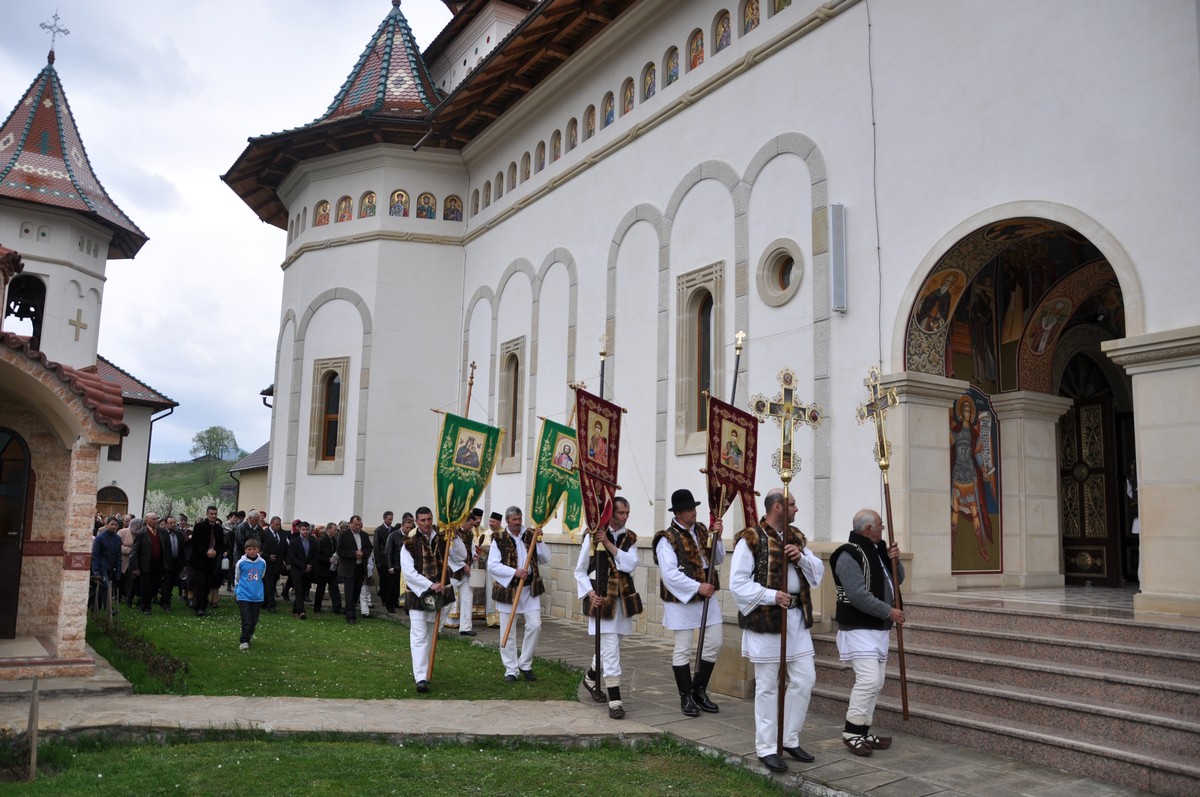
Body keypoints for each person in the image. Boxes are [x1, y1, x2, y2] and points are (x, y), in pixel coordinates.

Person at [730, 489, 824, 772]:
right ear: (778, 508)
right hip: (767, 621)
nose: (797, 509)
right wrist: (772, 596)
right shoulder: (751, 538)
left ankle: (789, 738)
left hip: (795, 619)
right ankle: (767, 747)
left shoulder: (795, 538)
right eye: (792, 504)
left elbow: (817, 573)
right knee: (769, 686)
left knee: (805, 679)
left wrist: (801, 559)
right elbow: (738, 583)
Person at [831, 509, 905, 757]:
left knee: (877, 682)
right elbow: (857, 595)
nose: (883, 528)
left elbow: (898, 579)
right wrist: (888, 612)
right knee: (869, 680)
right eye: (880, 525)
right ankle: (851, 733)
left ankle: (862, 731)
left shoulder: (878, 551)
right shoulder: (847, 554)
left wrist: (895, 560)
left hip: (877, 629)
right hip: (859, 627)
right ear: (869, 529)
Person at [653, 488, 724, 717]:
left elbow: (718, 557)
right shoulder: (667, 538)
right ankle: (685, 696)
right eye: (690, 509)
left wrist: (719, 537)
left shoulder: (703, 529)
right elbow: (669, 574)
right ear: (679, 512)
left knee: (714, 642)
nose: (694, 512)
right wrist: (696, 587)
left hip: (707, 595)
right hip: (681, 599)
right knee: (683, 647)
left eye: (694, 508)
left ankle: (699, 690)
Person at [574, 496, 642, 719]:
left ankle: (591, 677)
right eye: (621, 513)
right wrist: (589, 592)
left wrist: (609, 544)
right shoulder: (592, 536)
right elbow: (580, 570)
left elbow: (630, 564)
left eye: (627, 513)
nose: (624, 517)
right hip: (602, 600)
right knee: (611, 650)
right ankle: (615, 701)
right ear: (610, 514)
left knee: (612, 646)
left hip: (622, 600)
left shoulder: (630, 537)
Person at [402, 506, 467, 692]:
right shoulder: (409, 543)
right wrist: (429, 585)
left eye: (429, 519)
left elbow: (461, 556)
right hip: (419, 595)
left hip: (440, 596)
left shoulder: (443, 539)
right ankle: (420, 678)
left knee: (431, 635)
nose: (427, 523)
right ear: (416, 521)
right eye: (422, 520)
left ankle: (427, 669)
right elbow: (409, 572)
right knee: (419, 636)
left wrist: (454, 536)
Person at [487, 506, 550, 682]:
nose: (517, 522)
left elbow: (546, 558)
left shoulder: (530, 535)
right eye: (514, 519)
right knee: (508, 630)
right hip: (509, 589)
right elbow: (492, 565)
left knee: (535, 625)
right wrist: (514, 572)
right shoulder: (499, 538)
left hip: (530, 589)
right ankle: (511, 669)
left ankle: (525, 663)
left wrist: (539, 541)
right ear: (507, 521)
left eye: (519, 518)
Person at [130, 512, 173, 615]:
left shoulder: (163, 532)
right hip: (146, 564)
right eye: (153, 519)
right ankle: (146, 607)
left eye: (157, 519)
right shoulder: (141, 533)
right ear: (147, 520)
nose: (156, 521)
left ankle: (142, 601)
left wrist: (167, 564)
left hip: (159, 564)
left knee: (155, 585)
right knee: (146, 586)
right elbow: (135, 551)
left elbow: (167, 550)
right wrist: (135, 567)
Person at [447, 508, 482, 636]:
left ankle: (465, 627)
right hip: (454, 572)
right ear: (463, 522)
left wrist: (474, 555)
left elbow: (471, 547)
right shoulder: (453, 533)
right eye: (470, 524)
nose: (472, 527)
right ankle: (438, 627)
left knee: (468, 599)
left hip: (467, 571)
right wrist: (463, 565)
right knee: (448, 599)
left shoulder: (470, 534)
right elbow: (450, 554)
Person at [189, 505, 226, 617]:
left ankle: (203, 605)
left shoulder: (219, 529)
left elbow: (220, 544)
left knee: (207, 584)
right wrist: (206, 551)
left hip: (212, 561)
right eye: (211, 514)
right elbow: (195, 543)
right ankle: (198, 607)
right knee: (200, 583)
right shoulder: (199, 526)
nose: (214, 516)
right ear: (207, 514)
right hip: (200, 560)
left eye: (215, 514)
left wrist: (215, 551)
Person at [337, 515, 373, 624]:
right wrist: (353, 554)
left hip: (360, 567)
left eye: (359, 525)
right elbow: (340, 550)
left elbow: (369, 548)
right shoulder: (344, 535)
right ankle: (350, 616)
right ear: (350, 524)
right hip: (348, 568)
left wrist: (363, 553)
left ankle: (349, 608)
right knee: (349, 592)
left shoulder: (364, 535)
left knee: (357, 591)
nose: (358, 527)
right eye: (356, 525)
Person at [235, 539, 266, 651]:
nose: (252, 551)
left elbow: (261, 575)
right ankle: (244, 640)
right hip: (243, 595)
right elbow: (237, 577)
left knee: (254, 619)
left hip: (257, 595)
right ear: (245, 550)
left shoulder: (262, 562)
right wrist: (237, 591)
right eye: (249, 549)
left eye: (254, 549)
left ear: (258, 550)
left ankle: (249, 633)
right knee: (246, 619)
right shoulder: (241, 563)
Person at [90, 516, 122, 613]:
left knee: (102, 589)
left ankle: (92, 605)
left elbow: (118, 556)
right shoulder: (100, 538)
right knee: (107, 587)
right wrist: (96, 572)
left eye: (116, 525)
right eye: (112, 524)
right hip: (101, 567)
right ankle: (109, 609)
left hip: (111, 568)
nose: (114, 526)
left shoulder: (117, 538)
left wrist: (118, 571)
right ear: (106, 524)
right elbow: (95, 555)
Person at [287, 521, 318, 619]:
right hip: (296, 569)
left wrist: (309, 566)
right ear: (299, 530)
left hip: (308, 570)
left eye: (307, 529)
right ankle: (301, 611)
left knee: (304, 589)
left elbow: (315, 556)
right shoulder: (294, 542)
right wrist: (303, 566)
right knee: (299, 589)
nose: (305, 531)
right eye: (303, 529)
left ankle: (295, 610)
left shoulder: (313, 542)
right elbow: (292, 557)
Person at [313, 521, 342, 614]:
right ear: (329, 529)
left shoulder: (333, 540)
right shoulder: (322, 540)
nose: (336, 531)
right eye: (334, 529)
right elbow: (318, 556)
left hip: (332, 569)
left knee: (334, 588)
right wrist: (328, 559)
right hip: (323, 569)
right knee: (320, 589)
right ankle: (317, 608)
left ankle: (337, 608)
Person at [260, 516, 288, 613]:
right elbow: (261, 550)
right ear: (271, 523)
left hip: (278, 565)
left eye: (279, 524)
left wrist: (285, 562)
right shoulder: (264, 534)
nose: (278, 526)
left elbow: (285, 549)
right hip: (268, 565)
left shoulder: (282, 534)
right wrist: (268, 557)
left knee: (271, 585)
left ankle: (264, 602)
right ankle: (272, 605)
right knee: (269, 586)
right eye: (276, 524)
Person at [374, 511, 398, 614]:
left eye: (391, 519)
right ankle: (384, 598)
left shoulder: (393, 530)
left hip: (391, 561)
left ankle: (391, 599)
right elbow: (376, 546)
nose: (390, 521)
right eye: (389, 519)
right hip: (382, 561)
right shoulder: (379, 530)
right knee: (384, 581)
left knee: (391, 582)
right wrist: (378, 561)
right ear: (384, 519)